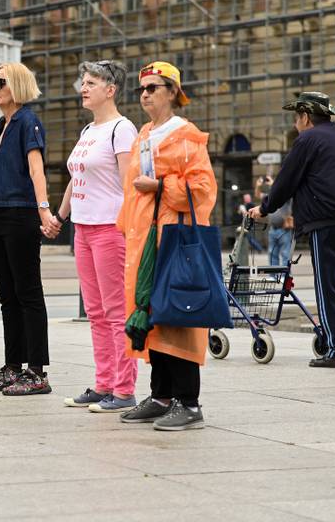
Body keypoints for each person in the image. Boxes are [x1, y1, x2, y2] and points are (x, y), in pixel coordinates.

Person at [117, 61, 217, 431]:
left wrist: (160, 186)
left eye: (153, 88)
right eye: (141, 89)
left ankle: (188, 402)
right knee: (152, 316)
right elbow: (132, 191)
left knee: (179, 316)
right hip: (144, 242)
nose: (144, 95)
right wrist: (127, 229)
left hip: (174, 240)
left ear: (173, 92)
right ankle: (161, 396)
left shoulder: (186, 136)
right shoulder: (144, 134)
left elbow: (203, 190)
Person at [248, 92, 335, 368]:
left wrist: (265, 208)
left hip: (326, 223)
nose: (296, 125)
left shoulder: (308, 139)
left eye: (296, 119)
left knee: (327, 288)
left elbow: (286, 181)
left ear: (305, 117)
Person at [0, 62, 59, 396]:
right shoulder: (1, 125)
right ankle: (13, 366)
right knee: (7, 295)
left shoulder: (28, 122)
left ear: (18, 85)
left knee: (28, 292)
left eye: (1, 83)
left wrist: (43, 209)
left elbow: (36, 170)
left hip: (20, 214)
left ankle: (36, 372)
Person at [57, 60, 139, 413]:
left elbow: (128, 184)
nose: (83, 88)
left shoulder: (122, 129)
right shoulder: (89, 129)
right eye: (83, 82)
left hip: (110, 227)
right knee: (95, 311)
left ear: (111, 89)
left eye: (91, 83)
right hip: (83, 227)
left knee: (116, 311)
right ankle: (104, 383)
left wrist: (131, 226)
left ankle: (124, 390)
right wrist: (60, 216)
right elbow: (77, 178)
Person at [267, 199, 294, 267]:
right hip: (272, 228)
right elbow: (259, 195)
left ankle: (285, 273)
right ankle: (273, 273)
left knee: (285, 253)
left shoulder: (285, 196)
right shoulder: (270, 196)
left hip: (284, 229)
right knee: (272, 253)